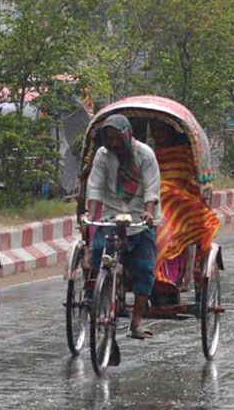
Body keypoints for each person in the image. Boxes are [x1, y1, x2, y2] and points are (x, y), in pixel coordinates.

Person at [86, 114, 161, 340]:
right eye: (109, 138)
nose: (114, 143)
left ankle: (135, 323)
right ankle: (101, 295)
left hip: (140, 215)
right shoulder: (102, 155)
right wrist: (90, 214)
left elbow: (151, 188)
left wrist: (148, 211)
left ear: (127, 135)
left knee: (144, 268)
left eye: (117, 137)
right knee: (99, 251)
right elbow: (95, 187)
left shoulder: (146, 155)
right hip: (111, 212)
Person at [150, 121, 220, 306]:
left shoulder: (184, 154)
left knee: (164, 225)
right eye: (155, 130)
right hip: (150, 200)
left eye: (161, 129)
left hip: (178, 204)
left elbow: (190, 181)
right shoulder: (149, 155)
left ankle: (166, 278)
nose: (158, 134)